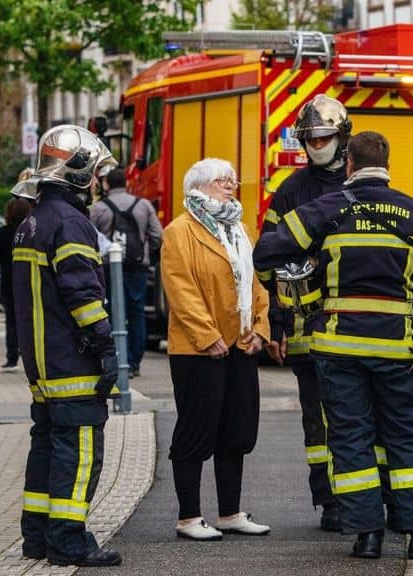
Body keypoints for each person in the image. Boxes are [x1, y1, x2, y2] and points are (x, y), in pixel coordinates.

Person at [253, 131, 413, 560]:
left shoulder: (326, 209)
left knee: (351, 437)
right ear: (388, 163)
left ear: (348, 165)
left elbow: (265, 252)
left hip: (339, 348)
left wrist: (297, 297)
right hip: (398, 351)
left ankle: (367, 537)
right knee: (407, 439)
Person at [10, 124, 122, 567]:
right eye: (93, 173)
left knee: (46, 449)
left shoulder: (31, 221)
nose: (96, 182)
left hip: (42, 364)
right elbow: (81, 293)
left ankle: (37, 536)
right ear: (76, 172)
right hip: (71, 361)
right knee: (78, 454)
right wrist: (105, 346)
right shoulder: (71, 223)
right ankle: (68, 540)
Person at [161, 158, 271, 541]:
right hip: (198, 350)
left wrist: (260, 327)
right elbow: (181, 290)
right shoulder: (180, 231)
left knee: (237, 432)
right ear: (199, 187)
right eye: (221, 180)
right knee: (195, 431)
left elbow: (256, 284)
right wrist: (207, 336)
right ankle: (189, 517)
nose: (231, 184)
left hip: (240, 345)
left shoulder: (240, 229)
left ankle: (229, 513)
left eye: (231, 179)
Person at [259, 94, 350, 532]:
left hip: (354, 325)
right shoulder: (291, 190)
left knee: (356, 416)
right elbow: (267, 257)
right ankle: (329, 500)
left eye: (324, 136)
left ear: (341, 137)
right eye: (310, 138)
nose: (316, 144)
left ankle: (366, 497)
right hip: (304, 328)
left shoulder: (360, 183)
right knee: (317, 420)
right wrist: (275, 321)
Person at [89, 167, 163, 378]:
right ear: (126, 183)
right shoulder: (144, 206)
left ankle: (116, 359)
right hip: (137, 267)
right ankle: (134, 363)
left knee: (111, 313)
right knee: (137, 313)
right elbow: (157, 235)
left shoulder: (99, 208)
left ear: (107, 185)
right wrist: (150, 252)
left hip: (109, 269)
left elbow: (90, 239)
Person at [0, 196, 32, 372]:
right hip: (29, 279)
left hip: (9, 281)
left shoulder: (3, 232)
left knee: (11, 322)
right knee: (30, 320)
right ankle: (31, 356)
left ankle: (12, 358)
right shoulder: (32, 230)